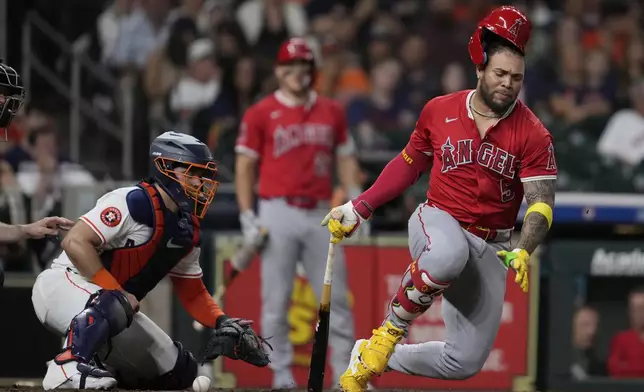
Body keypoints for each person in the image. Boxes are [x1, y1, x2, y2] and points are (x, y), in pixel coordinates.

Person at [321, 6, 558, 391]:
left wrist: (524, 249)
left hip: (492, 244)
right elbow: (408, 165)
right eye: (500, 74)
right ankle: (390, 330)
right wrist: (358, 207)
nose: (507, 83)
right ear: (480, 70)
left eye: (516, 77)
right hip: (438, 220)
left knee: (463, 361)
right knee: (448, 255)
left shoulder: (534, 134)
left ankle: (371, 354)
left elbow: (541, 203)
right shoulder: (440, 110)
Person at [32, 132, 266, 390]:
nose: (200, 182)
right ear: (166, 168)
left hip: (113, 308)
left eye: (202, 175)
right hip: (62, 285)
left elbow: (193, 293)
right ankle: (65, 367)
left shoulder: (186, 228)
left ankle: (103, 370)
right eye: (192, 172)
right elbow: (74, 242)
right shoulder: (132, 201)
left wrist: (223, 321)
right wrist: (116, 291)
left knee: (181, 373)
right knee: (116, 302)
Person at [235, 37, 363, 388]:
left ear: (313, 71)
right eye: (290, 67)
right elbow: (244, 166)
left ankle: (345, 375)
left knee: (336, 298)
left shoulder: (332, 110)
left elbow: (346, 157)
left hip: (322, 212)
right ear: (279, 71)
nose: (297, 74)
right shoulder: (260, 112)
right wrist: (248, 215)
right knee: (276, 300)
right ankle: (279, 376)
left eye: (304, 67)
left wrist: (355, 201)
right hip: (277, 210)